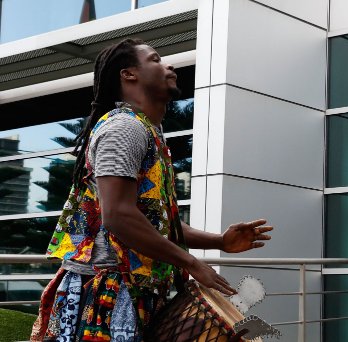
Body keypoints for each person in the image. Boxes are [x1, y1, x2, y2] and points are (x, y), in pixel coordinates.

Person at [30, 38, 273, 341]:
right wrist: (191, 262)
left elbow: (153, 221)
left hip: (132, 287)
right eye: (156, 59)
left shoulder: (148, 131)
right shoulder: (125, 129)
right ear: (129, 74)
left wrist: (219, 241)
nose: (169, 65)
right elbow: (118, 215)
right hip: (105, 290)